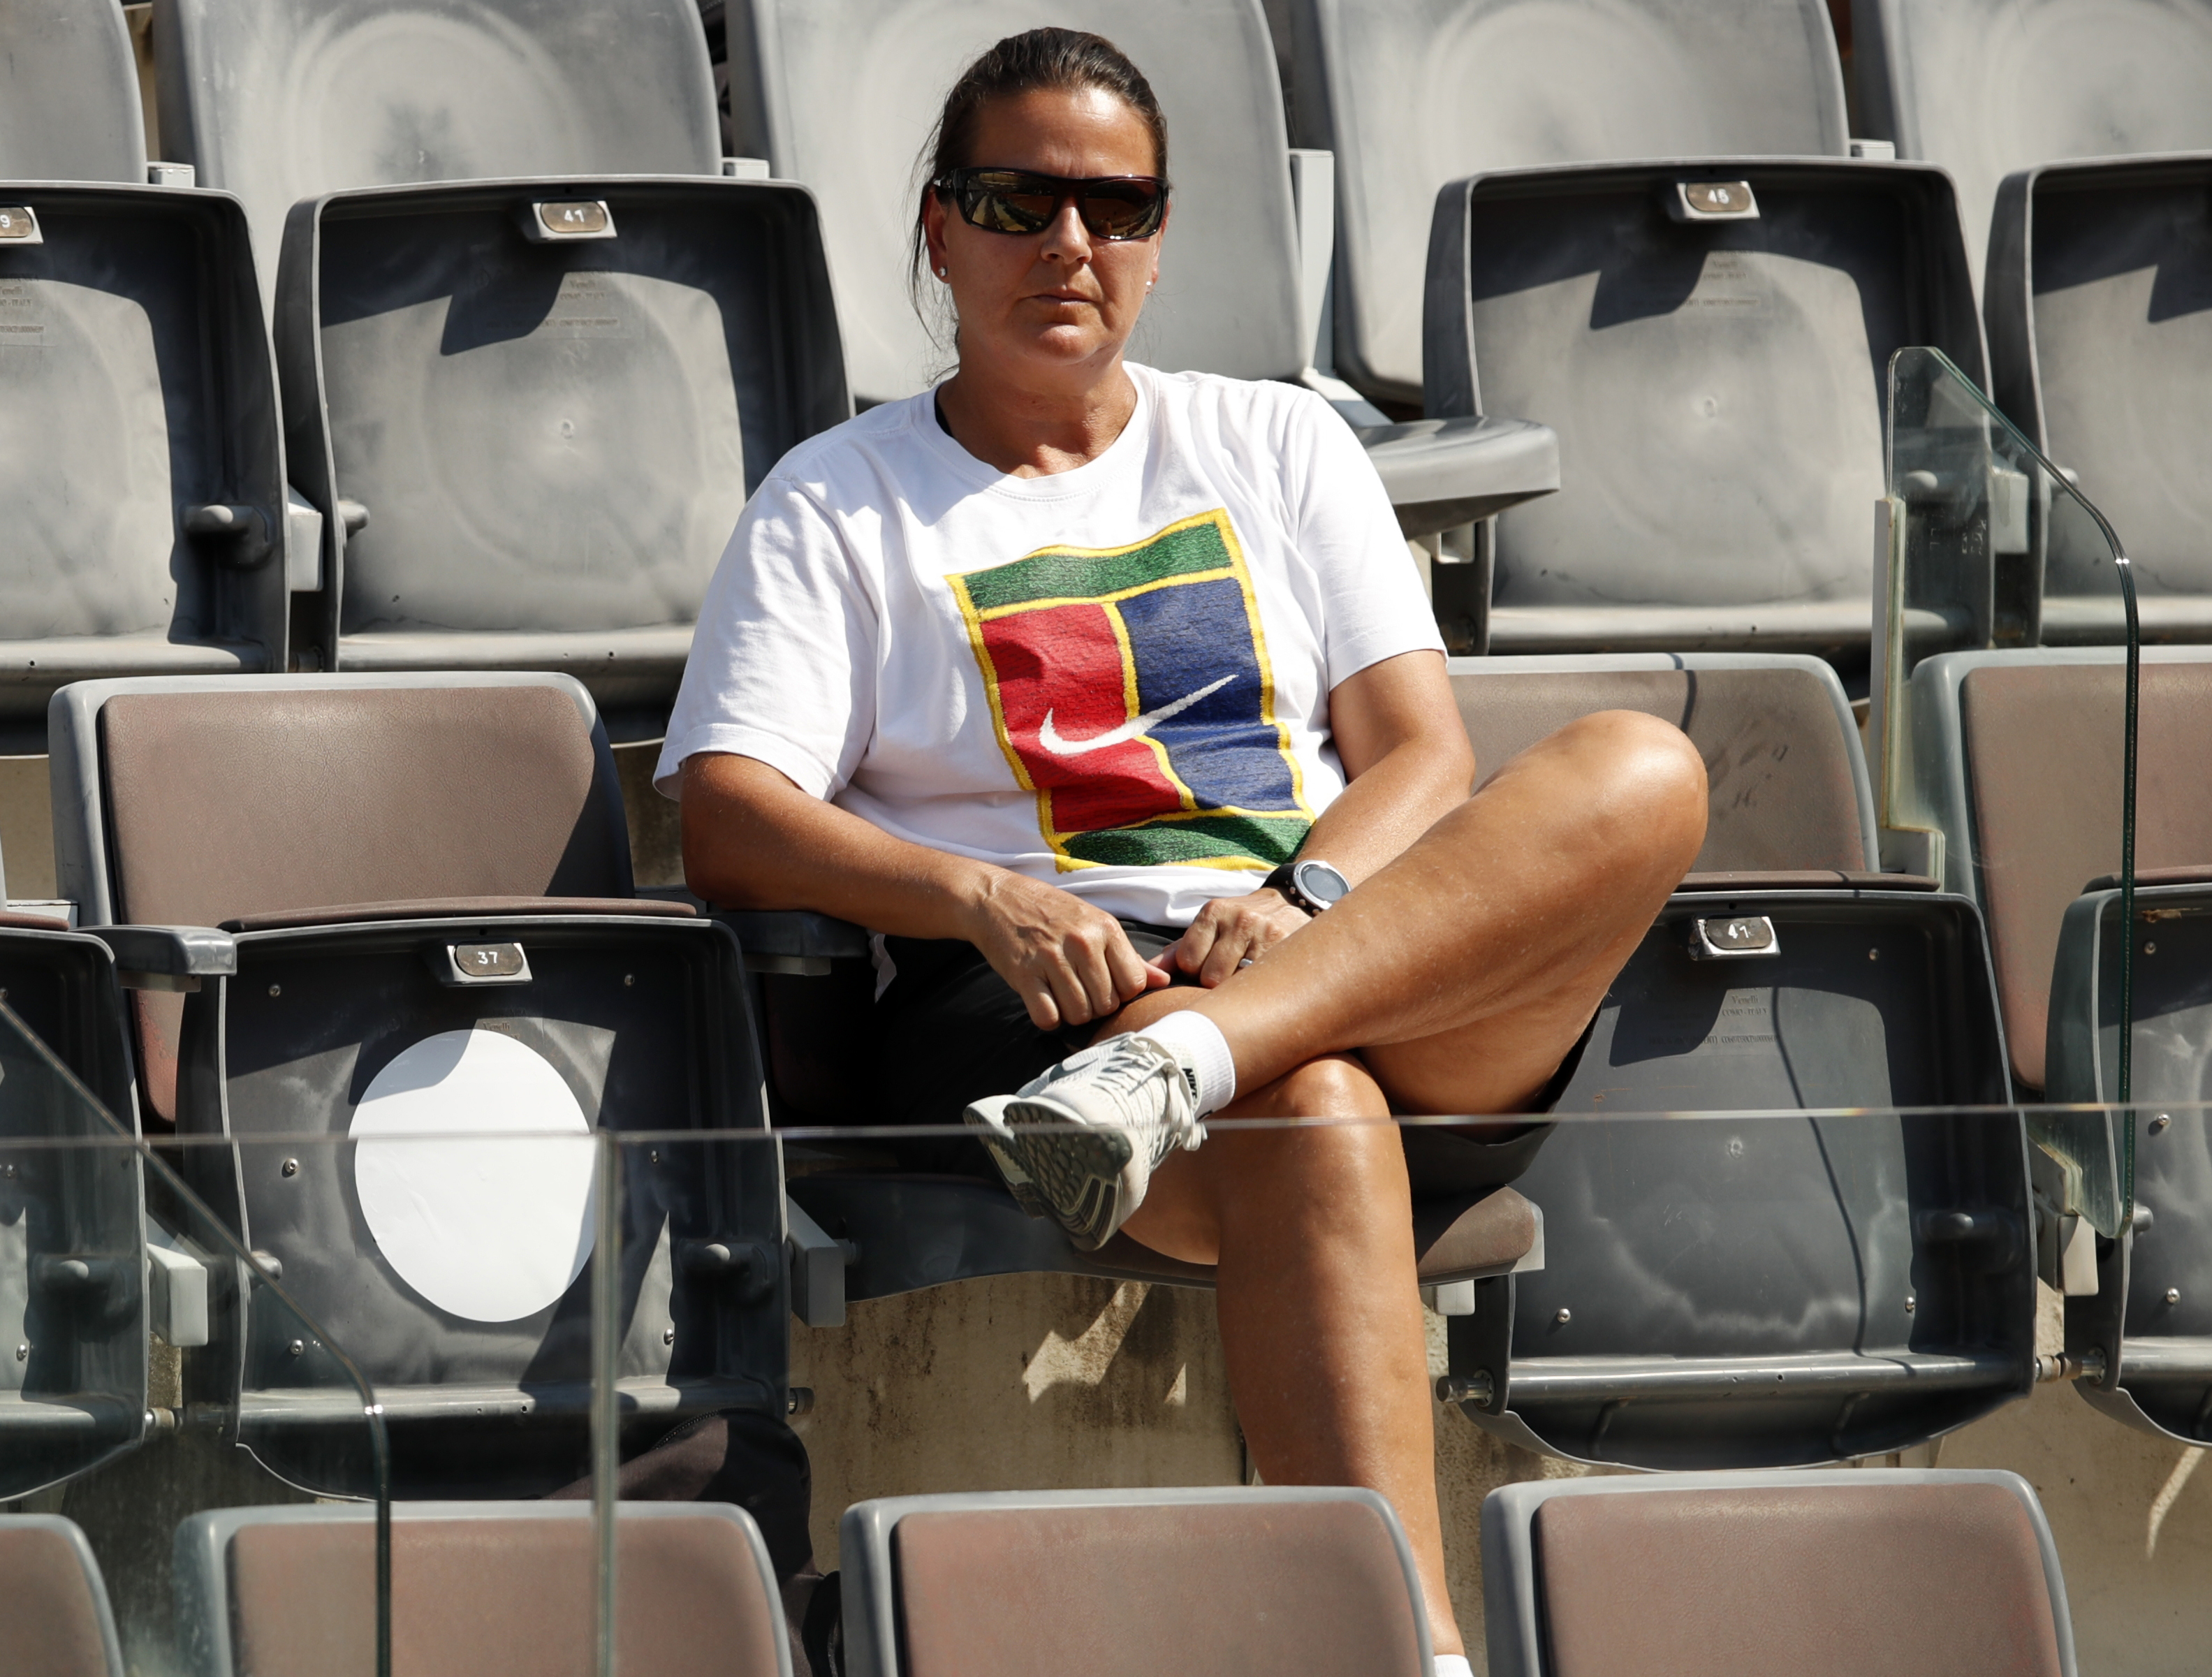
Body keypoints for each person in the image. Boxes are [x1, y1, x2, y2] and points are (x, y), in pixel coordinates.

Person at [661, 28, 1708, 1670]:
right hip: (1063, 1000)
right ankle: (1416, 1650)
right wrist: (976, 894)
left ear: (1158, 233)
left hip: (1333, 940)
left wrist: (1301, 899)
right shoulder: (839, 497)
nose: (1068, 244)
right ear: (938, 229)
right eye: (1018, 200)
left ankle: (1197, 1064)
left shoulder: (1278, 442)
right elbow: (725, 816)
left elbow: (1421, 753)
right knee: (1316, 1103)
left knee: (1640, 769)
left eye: (1115, 206)